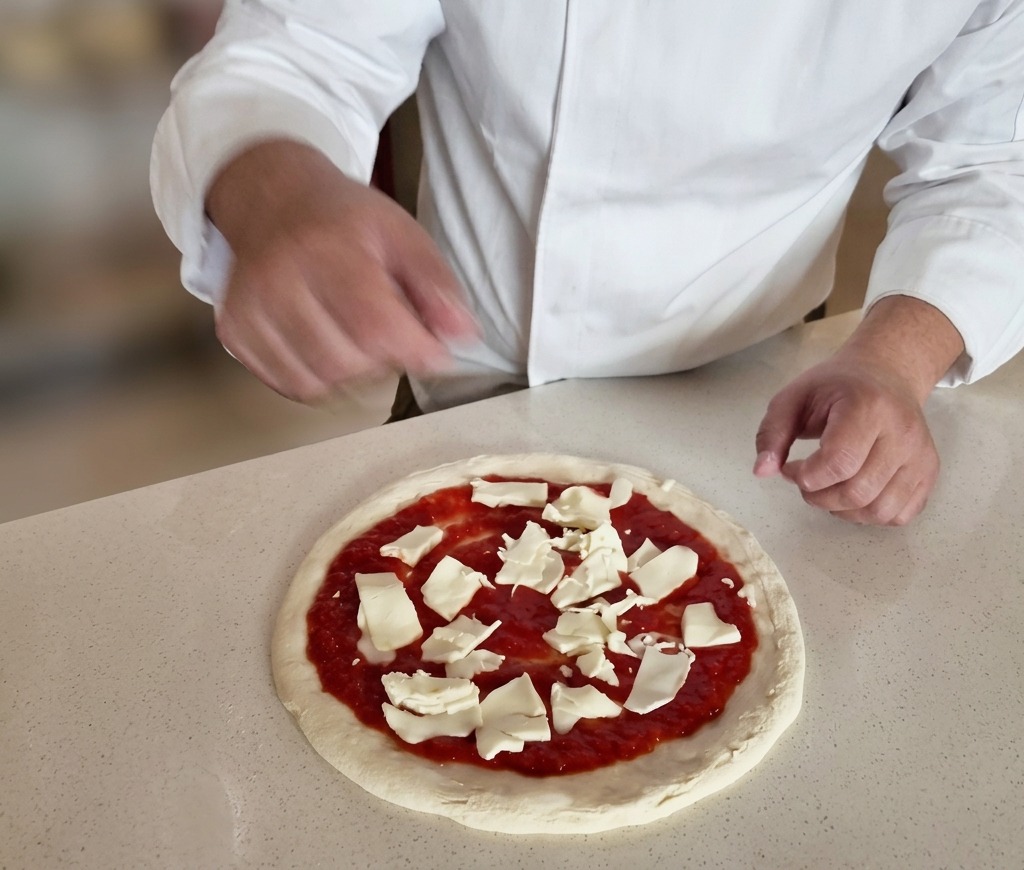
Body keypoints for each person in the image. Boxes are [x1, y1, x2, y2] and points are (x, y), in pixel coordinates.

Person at [151, 2, 1024, 526]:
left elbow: (993, 160)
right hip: (472, 386)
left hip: (769, 408)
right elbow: (304, 47)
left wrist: (895, 362)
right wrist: (279, 193)